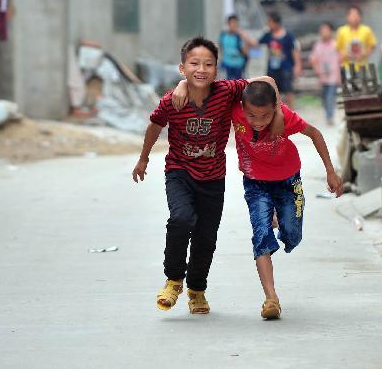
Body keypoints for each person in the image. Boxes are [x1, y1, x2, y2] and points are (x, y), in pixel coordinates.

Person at [131, 36, 280, 315]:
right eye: (194, 64)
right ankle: (174, 279)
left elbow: (266, 80)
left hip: (213, 177)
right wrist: (143, 158)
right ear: (182, 68)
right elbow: (154, 125)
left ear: (217, 69)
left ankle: (197, 290)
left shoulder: (226, 91)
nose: (201, 69)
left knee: (206, 236)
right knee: (181, 219)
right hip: (179, 172)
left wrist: (278, 109)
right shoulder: (172, 100)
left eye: (209, 64)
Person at [232, 80, 344, 319]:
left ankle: (277, 216)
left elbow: (315, 134)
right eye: (252, 115)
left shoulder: (286, 118)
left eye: (265, 116)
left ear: (275, 107)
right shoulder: (235, 109)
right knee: (260, 235)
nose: (259, 122)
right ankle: (271, 298)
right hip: (255, 182)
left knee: (292, 235)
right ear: (242, 107)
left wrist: (331, 171)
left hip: (287, 181)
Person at [257, 12, 301, 109]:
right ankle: (276, 112)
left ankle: (291, 113)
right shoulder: (268, 35)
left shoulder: (288, 35)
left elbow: (295, 50)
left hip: (286, 68)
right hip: (272, 69)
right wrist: (242, 34)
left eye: (269, 22)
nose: (268, 24)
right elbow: (256, 43)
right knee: (272, 91)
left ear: (276, 23)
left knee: (288, 91)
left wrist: (297, 65)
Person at [309, 21, 342, 124]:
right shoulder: (318, 45)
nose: (324, 33)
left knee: (330, 96)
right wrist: (316, 69)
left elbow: (341, 58)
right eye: (322, 30)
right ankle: (328, 114)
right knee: (324, 97)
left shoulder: (336, 45)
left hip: (333, 75)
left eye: (326, 30)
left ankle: (330, 116)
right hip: (323, 76)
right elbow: (313, 59)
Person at [336, 6, 377, 73]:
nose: (354, 17)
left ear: (360, 17)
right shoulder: (341, 31)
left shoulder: (367, 30)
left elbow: (372, 46)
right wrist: (346, 55)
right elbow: (338, 48)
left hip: (362, 66)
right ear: (347, 17)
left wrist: (363, 54)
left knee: (362, 83)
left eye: (356, 15)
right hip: (347, 67)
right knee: (348, 83)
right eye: (352, 15)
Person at [218, 13, 250, 80]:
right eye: (232, 23)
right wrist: (221, 58)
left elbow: (245, 52)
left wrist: (245, 39)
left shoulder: (239, 36)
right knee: (226, 85)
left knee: (238, 86)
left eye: (235, 23)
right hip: (226, 65)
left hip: (238, 65)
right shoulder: (223, 35)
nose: (234, 25)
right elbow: (220, 47)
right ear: (228, 24)